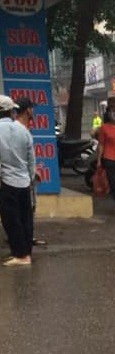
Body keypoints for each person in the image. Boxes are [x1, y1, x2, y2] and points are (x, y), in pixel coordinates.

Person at [0, 95, 35, 266]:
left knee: (11, 219)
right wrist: (31, 178)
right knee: (25, 218)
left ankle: (21, 255)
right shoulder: (23, 130)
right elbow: (31, 160)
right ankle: (26, 251)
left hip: (7, 182)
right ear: (11, 111)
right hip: (24, 182)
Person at [13, 98, 47, 247]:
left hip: (21, 176)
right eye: (32, 108)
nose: (33, 111)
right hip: (23, 178)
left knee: (26, 210)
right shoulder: (21, 130)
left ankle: (26, 237)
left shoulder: (16, 129)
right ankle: (23, 241)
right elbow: (26, 158)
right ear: (28, 110)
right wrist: (33, 174)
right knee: (25, 210)